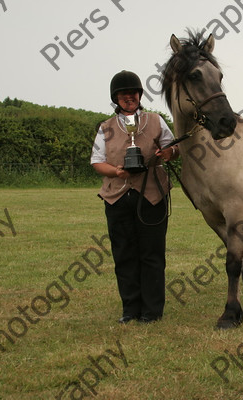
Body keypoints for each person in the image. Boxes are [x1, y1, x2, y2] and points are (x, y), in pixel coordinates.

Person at [90, 70, 179, 324]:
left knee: (152, 254)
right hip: (117, 197)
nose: (129, 97)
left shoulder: (156, 120)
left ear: (139, 95)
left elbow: (173, 147)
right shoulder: (106, 128)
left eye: (133, 93)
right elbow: (97, 161)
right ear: (115, 98)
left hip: (152, 195)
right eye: (123, 94)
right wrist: (117, 171)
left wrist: (168, 153)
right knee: (124, 254)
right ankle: (130, 309)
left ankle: (152, 311)